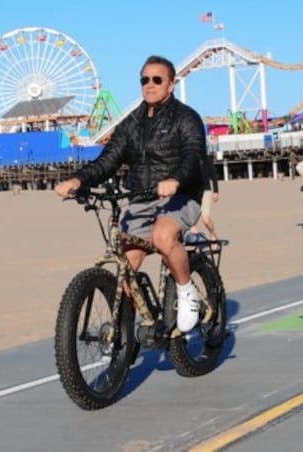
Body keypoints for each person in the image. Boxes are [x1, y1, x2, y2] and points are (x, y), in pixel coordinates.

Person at [54, 55, 207, 333]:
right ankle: (126, 337)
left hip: (180, 197)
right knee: (127, 270)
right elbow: (107, 161)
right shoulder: (131, 123)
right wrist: (78, 180)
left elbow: (193, 157)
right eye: (144, 80)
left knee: (163, 236)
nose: (150, 85)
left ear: (170, 85)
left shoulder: (186, 118)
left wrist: (175, 179)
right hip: (141, 199)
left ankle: (186, 292)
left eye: (157, 80)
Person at [191, 152, 220, 243]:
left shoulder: (207, 158)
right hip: (192, 192)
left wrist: (216, 191)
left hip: (205, 190)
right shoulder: (188, 159)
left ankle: (212, 234)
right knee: (191, 222)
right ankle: (195, 243)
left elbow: (214, 176)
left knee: (205, 219)